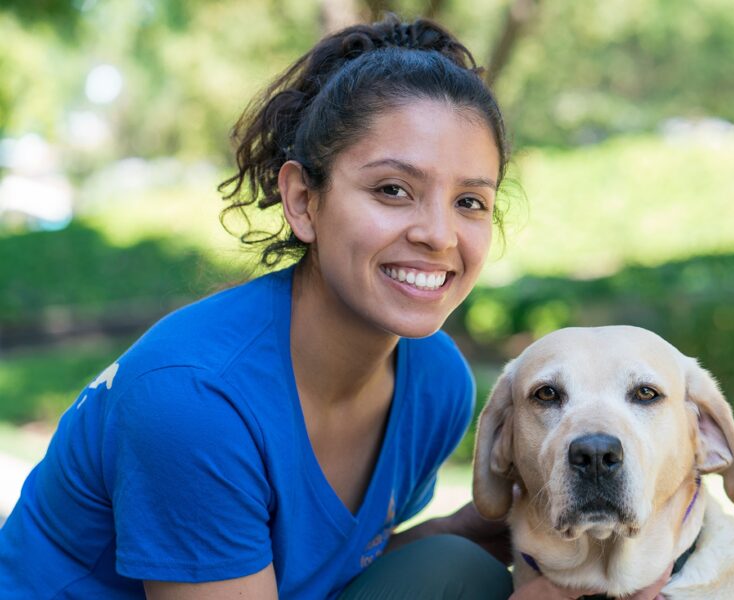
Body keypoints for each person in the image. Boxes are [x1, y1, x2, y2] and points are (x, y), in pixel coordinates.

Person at [0, 15, 587, 600]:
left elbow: (321, 578)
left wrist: (469, 528)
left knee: (457, 565)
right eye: (392, 190)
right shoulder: (195, 399)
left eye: (469, 201)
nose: (439, 234)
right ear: (303, 201)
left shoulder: (436, 384)